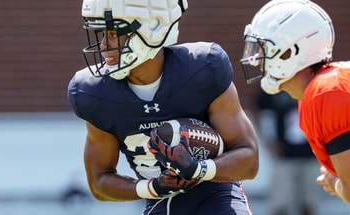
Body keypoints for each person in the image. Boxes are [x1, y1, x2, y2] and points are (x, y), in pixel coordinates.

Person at [67, 0, 259, 214]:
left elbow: (249, 160)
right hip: (160, 202)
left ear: (153, 28)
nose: (103, 45)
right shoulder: (95, 93)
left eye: (113, 33)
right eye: (102, 34)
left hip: (217, 193)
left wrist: (198, 169)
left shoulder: (203, 69)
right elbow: (99, 181)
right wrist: (152, 187)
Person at [240, 0, 350, 204]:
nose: (256, 58)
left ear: (289, 51)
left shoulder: (326, 91)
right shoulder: (315, 93)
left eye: (264, 47)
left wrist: (336, 181)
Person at [255, 91, 324, 215]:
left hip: (311, 153)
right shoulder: (274, 85)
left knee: (309, 203)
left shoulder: (315, 85)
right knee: (281, 202)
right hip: (284, 155)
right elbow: (262, 109)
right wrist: (269, 140)